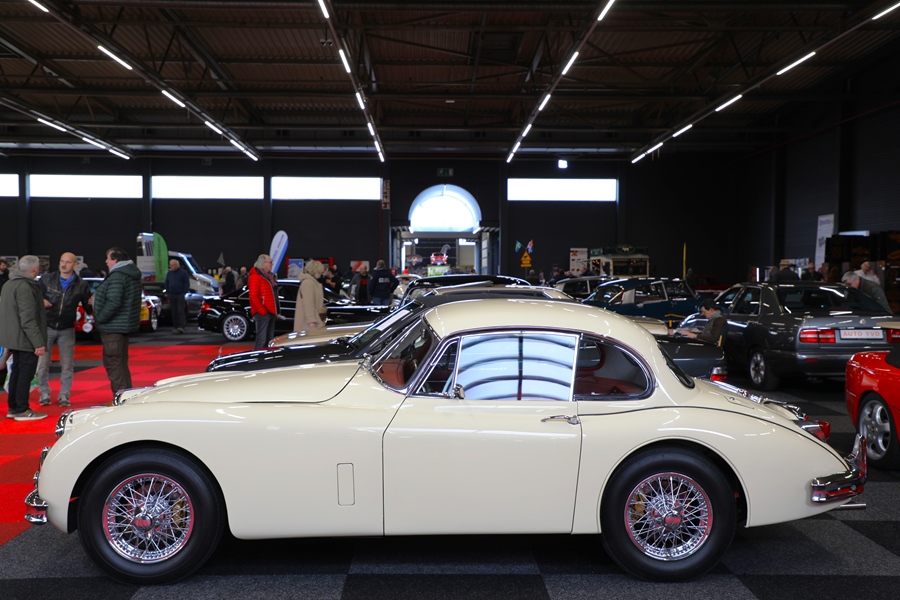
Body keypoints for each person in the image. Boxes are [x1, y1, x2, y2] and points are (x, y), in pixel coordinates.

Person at [37, 252, 91, 407]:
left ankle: (64, 395)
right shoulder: (46, 279)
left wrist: (94, 302)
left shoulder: (81, 285)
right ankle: (44, 392)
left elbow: (88, 307)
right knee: (43, 363)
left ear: (75, 265)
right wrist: (40, 301)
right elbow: (33, 297)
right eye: (62, 261)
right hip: (46, 326)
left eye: (68, 262)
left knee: (67, 364)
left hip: (67, 328)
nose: (64, 264)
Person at [0, 255, 48, 421]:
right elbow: (27, 318)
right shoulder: (26, 287)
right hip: (26, 338)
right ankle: (22, 409)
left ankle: (13, 408)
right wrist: (38, 343)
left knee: (16, 372)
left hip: (13, 338)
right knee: (25, 374)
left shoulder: (9, 284)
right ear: (35, 269)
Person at [91, 247, 142, 397]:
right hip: (122, 326)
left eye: (108, 258)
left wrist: (100, 317)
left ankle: (121, 398)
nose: (106, 261)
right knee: (120, 363)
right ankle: (126, 396)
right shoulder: (129, 274)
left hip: (113, 327)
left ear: (115, 260)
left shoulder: (117, 276)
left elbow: (114, 302)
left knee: (114, 363)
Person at [248, 254, 279, 349]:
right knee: (262, 340)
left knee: (269, 340)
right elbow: (253, 296)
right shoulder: (255, 277)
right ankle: (257, 357)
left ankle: (266, 357)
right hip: (263, 313)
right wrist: (262, 311)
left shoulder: (269, 277)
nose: (272, 264)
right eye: (270, 262)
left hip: (270, 311)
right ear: (264, 263)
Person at [294, 260, 325, 333]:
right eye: (320, 271)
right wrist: (311, 321)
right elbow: (308, 304)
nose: (322, 273)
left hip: (312, 321)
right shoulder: (308, 283)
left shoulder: (310, 282)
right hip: (308, 323)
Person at [165, 258, 190, 333]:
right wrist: (168, 292)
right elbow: (167, 283)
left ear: (176, 265)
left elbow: (187, 283)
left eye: (172, 265)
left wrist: (184, 292)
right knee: (174, 311)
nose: (170, 266)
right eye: (170, 265)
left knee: (180, 311)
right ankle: (175, 326)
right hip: (171, 294)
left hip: (180, 294)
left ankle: (181, 326)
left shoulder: (183, 273)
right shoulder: (169, 273)